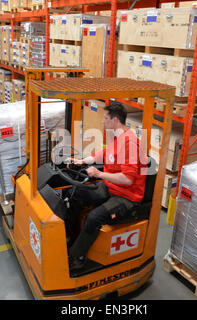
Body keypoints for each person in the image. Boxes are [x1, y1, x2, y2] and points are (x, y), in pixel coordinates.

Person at [66, 101, 148, 270]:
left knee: (93, 217)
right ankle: (68, 237)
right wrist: (81, 161)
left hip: (127, 196)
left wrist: (99, 174)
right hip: (111, 187)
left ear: (115, 120)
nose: (102, 121)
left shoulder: (130, 144)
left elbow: (127, 180)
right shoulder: (119, 137)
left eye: (105, 118)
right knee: (76, 194)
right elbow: (103, 154)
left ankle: (77, 257)